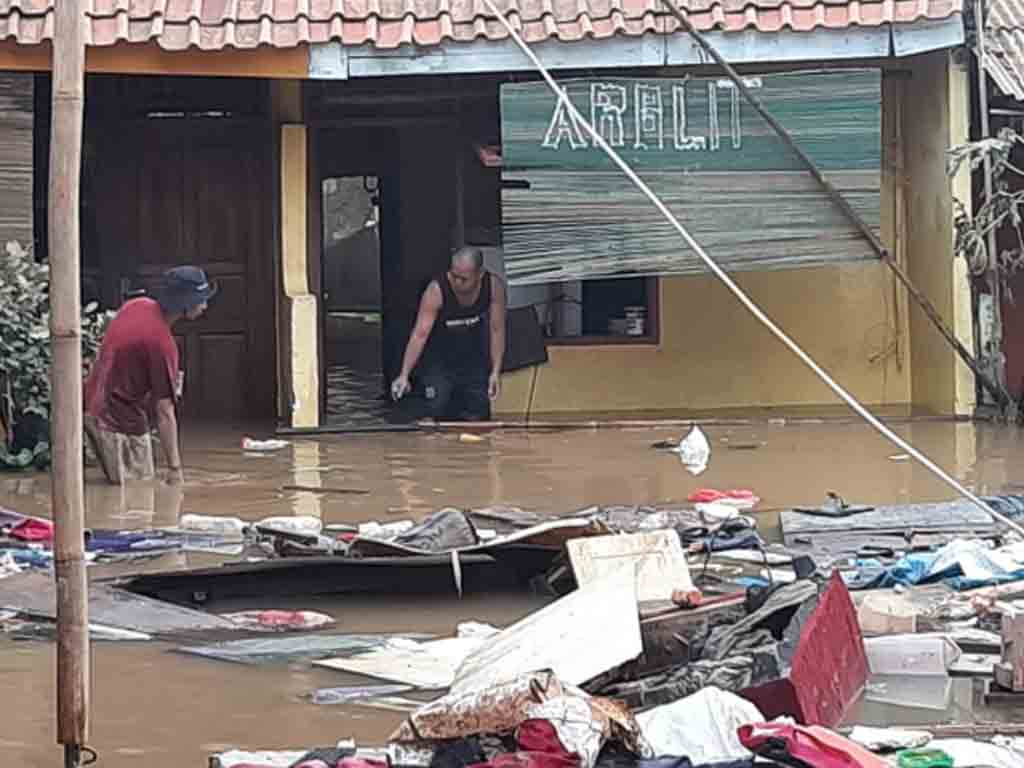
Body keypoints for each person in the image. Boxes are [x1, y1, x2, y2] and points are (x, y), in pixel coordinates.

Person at [84, 266, 216, 485]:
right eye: (200, 300)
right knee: (139, 494)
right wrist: (175, 469)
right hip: (117, 423)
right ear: (185, 304)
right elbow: (164, 412)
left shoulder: (135, 306)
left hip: (91, 407)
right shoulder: (161, 344)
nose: (205, 306)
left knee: (120, 489)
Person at [391, 246, 506, 421]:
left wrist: (496, 371)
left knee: (480, 412)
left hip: (473, 358)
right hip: (438, 360)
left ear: (480, 274)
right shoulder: (436, 291)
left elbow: (497, 329)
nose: (457, 282)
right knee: (435, 408)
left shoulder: (493, 286)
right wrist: (404, 374)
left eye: (464, 279)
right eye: (454, 275)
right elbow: (420, 334)